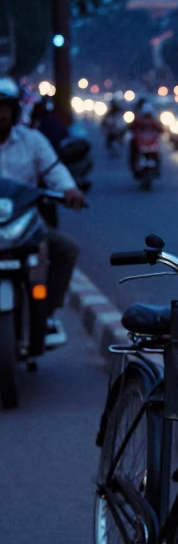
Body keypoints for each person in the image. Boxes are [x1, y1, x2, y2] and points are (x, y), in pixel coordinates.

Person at [0, 78, 86, 345]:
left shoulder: (32, 140)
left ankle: (46, 312)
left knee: (66, 249)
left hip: (22, 223)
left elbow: (54, 170)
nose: (0, 114)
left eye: (5, 108)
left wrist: (69, 190)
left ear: (15, 111)